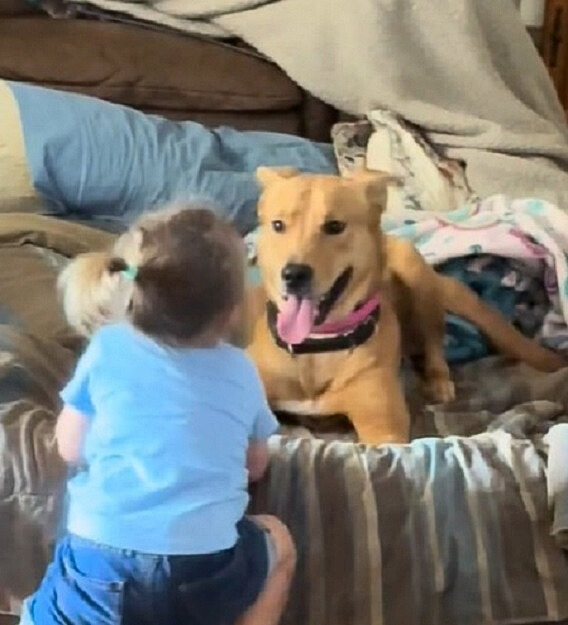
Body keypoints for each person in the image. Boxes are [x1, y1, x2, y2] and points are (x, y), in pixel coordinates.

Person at [19, 206, 296, 625]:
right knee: (279, 540)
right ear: (232, 310)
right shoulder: (242, 369)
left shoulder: (107, 347)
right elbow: (255, 464)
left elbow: (70, 446)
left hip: (99, 557)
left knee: (45, 610)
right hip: (206, 567)